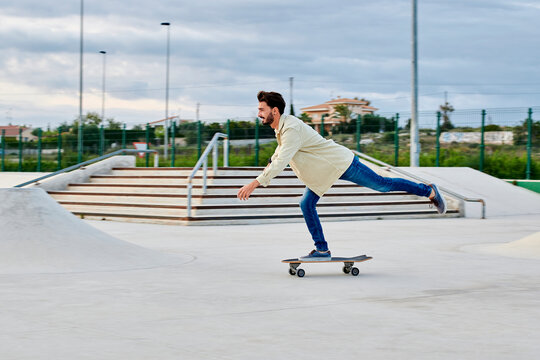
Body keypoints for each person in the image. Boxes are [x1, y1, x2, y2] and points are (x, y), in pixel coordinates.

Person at [237, 91, 447, 260]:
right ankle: (322, 250)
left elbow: (282, 159)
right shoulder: (282, 128)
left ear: (274, 110)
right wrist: (270, 162)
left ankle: (428, 190)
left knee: (382, 184)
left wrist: (255, 183)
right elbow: (280, 153)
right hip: (324, 172)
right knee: (306, 204)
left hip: (341, 163)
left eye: (262, 110)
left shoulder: (291, 128)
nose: (259, 114)